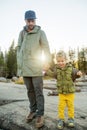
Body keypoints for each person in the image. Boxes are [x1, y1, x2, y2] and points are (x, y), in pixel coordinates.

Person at [17, 10, 51, 128]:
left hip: (37, 67)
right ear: (25, 20)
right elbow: (19, 49)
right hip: (25, 68)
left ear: (35, 20)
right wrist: (19, 66)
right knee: (29, 91)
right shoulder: (22, 33)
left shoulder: (41, 33)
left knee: (38, 91)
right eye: (28, 20)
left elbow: (46, 48)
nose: (31, 22)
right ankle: (33, 110)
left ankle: (40, 114)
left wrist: (47, 62)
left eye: (33, 20)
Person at [44, 50, 82, 129]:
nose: (61, 63)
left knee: (70, 106)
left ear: (66, 60)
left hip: (70, 93)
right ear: (56, 61)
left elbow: (76, 73)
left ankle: (71, 119)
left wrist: (79, 74)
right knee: (61, 107)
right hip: (61, 93)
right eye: (58, 61)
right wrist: (46, 70)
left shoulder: (71, 68)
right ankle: (61, 119)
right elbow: (51, 74)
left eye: (62, 61)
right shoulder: (56, 70)